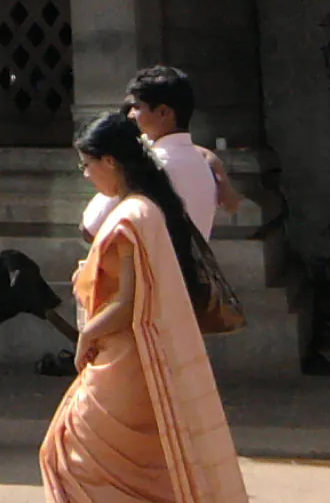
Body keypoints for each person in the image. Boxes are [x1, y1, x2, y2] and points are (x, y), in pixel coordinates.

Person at [40, 111, 247, 502]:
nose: (85, 175)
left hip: (124, 359)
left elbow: (127, 301)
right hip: (136, 358)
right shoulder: (146, 209)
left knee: (70, 457)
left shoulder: (132, 216)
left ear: (111, 162)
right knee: (133, 471)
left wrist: (86, 335)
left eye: (87, 165)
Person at [81, 67, 239, 243]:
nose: (131, 115)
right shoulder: (200, 161)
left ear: (163, 112)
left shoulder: (150, 166)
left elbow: (90, 229)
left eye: (137, 107)